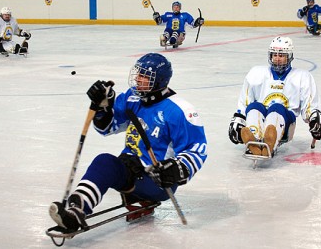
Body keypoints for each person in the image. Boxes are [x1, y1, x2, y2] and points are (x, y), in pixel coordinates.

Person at [49, 53, 208, 231]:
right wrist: (103, 106)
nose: (138, 79)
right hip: (131, 167)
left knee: (105, 162)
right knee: (106, 163)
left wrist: (176, 169)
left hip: (158, 182)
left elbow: (197, 150)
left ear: (159, 81)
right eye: (138, 73)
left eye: (144, 76)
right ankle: (76, 210)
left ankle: (81, 210)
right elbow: (107, 128)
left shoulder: (180, 110)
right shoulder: (133, 98)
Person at [228, 36, 321, 157]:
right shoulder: (256, 73)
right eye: (274, 55)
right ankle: (254, 142)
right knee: (255, 106)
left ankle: (269, 144)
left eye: (281, 55)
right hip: (262, 118)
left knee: (277, 108)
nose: (277, 58)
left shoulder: (302, 76)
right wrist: (239, 119)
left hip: (286, 123)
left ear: (289, 57)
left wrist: (314, 118)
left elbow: (310, 105)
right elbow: (245, 102)